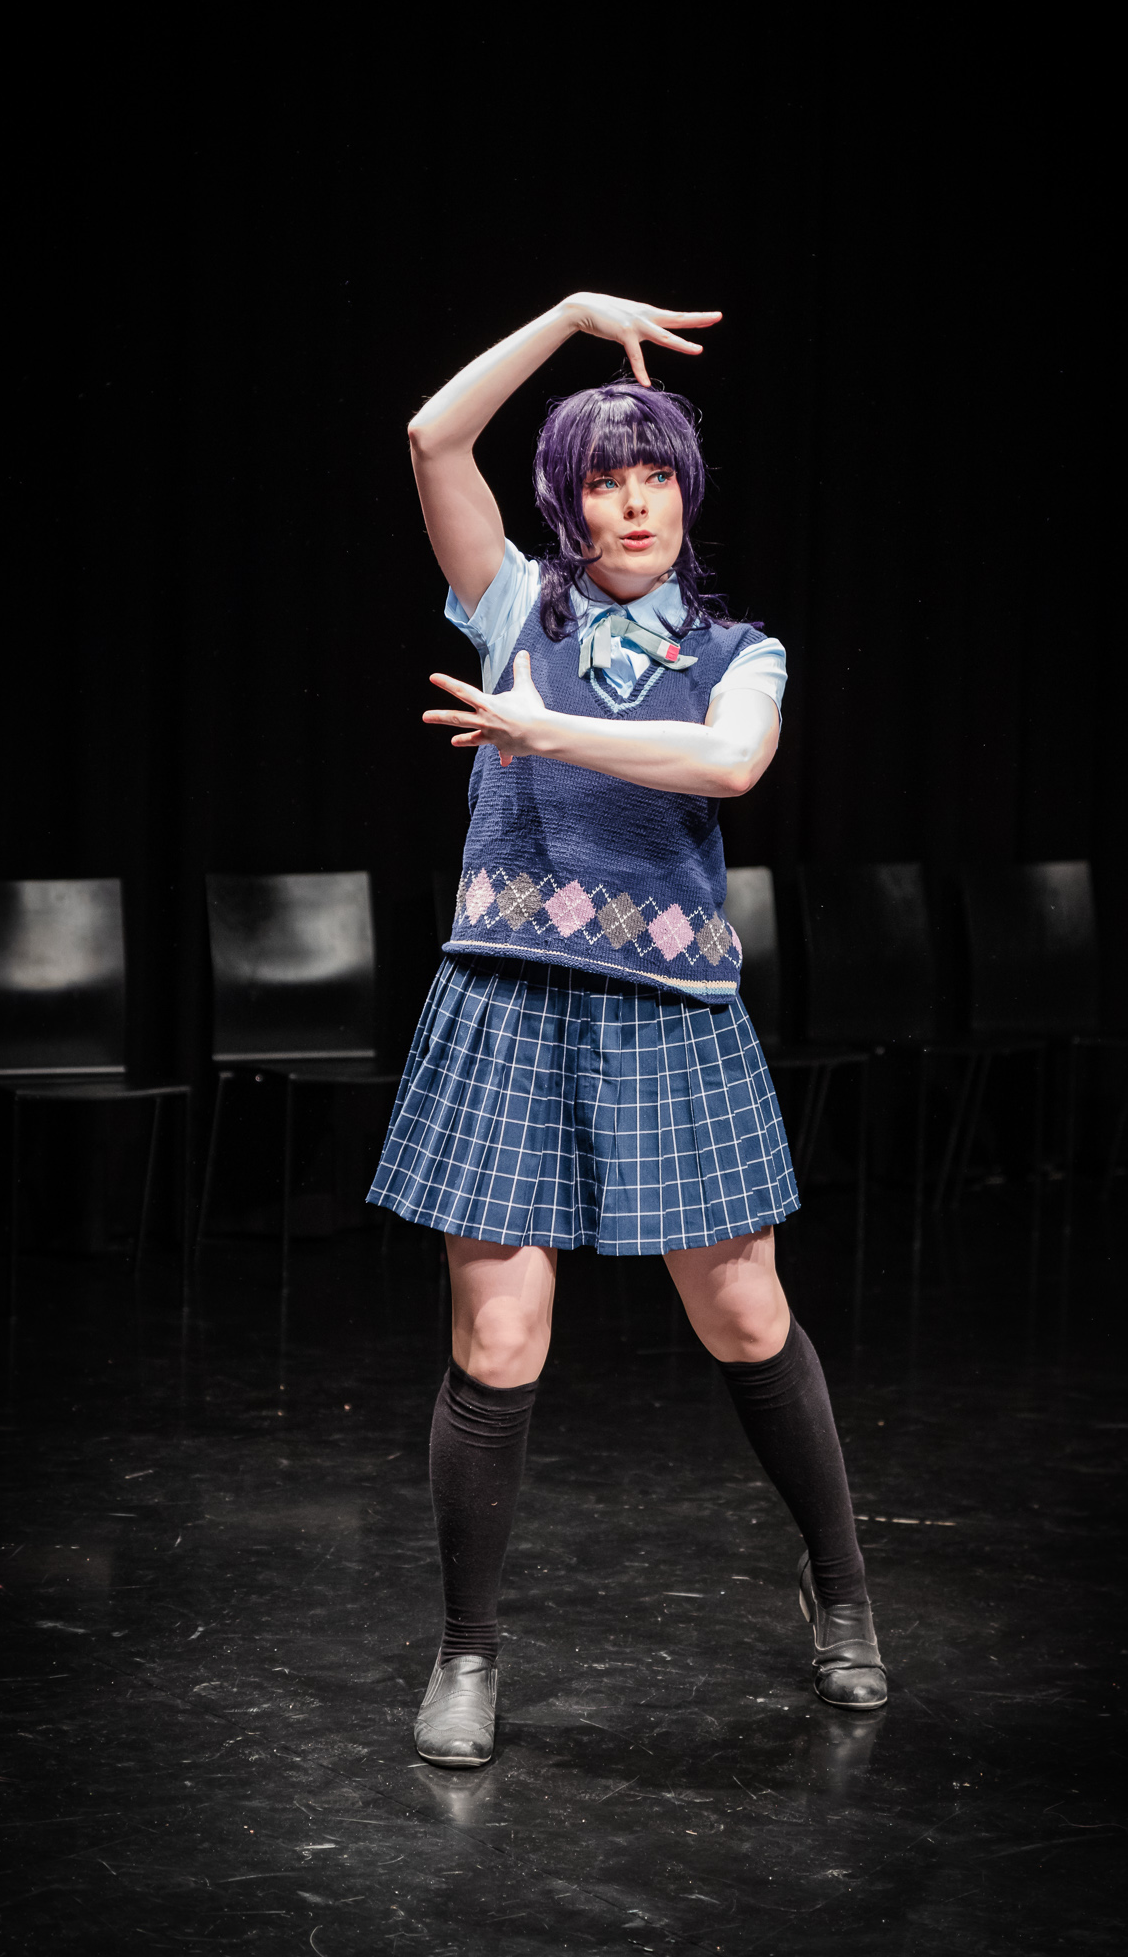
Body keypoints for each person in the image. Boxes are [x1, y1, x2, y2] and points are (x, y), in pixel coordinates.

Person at [368, 292, 886, 1767]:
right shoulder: (510, 609)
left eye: (655, 474)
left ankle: (843, 1592)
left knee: (747, 1317)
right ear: (570, 504)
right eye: (605, 479)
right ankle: (468, 1651)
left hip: (669, 1015)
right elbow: (432, 436)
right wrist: (572, 317)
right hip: (506, 1002)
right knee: (499, 1336)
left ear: (687, 495)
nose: (634, 500)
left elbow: (727, 765)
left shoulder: (739, 652)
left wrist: (546, 731)